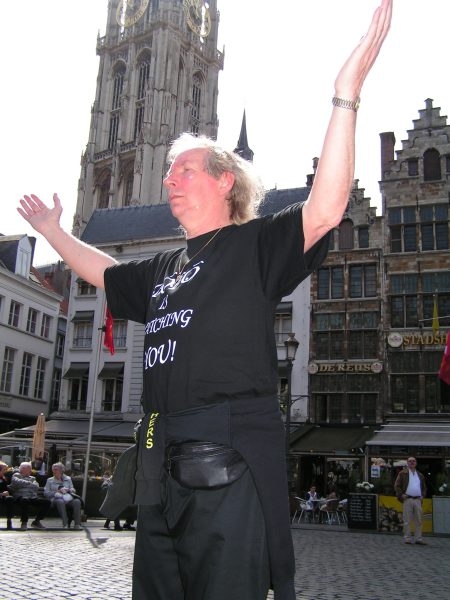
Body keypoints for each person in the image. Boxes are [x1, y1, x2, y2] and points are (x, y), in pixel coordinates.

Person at [16, 2, 392, 597]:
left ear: (225, 180)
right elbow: (105, 272)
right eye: (168, 171)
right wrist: (54, 232)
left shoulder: (253, 245)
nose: (169, 178)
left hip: (225, 461)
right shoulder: (164, 267)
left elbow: (325, 209)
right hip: (157, 463)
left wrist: (345, 96)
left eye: (184, 169)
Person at [394, 457, 427, 545]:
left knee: (418, 520)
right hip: (407, 499)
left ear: (416, 463)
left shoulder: (420, 475)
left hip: (417, 500)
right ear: (407, 463)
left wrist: (422, 496)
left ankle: (418, 539)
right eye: (410, 461)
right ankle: (407, 538)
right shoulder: (402, 473)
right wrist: (401, 495)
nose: (412, 462)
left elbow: (424, 487)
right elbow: (397, 485)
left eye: (414, 461)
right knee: (407, 520)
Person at [8, 462, 51, 530]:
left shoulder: (33, 478)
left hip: (32, 497)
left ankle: (36, 521)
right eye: (29, 469)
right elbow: (16, 482)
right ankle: (24, 523)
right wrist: (29, 483)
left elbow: (36, 486)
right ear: (22, 469)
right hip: (20, 497)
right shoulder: (16, 475)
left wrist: (24, 485)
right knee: (25, 500)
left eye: (30, 469)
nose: (30, 470)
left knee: (47, 502)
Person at [44, 462, 82, 530]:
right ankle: (65, 523)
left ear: (61, 470)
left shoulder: (68, 479)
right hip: (55, 499)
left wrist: (69, 490)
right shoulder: (49, 480)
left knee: (77, 501)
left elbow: (73, 489)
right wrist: (56, 492)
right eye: (53, 469)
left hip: (68, 499)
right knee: (60, 501)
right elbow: (46, 493)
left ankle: (77, 524)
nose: (54, 471)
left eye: (56, 469)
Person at [0, 461, 15, 530]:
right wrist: (2, 494)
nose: (6, 471)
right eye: (4, 470)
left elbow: (6, 488)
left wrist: (7, 492)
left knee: (10, 499)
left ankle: (9, 520)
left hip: (3, 497)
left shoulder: (3, 478)